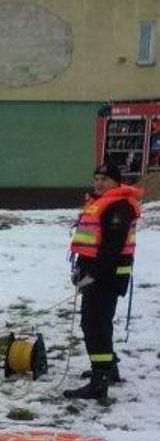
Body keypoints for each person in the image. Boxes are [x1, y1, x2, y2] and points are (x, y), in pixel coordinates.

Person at [64, 165, 141, 401]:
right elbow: (90, 243)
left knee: (94, 325)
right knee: (99, 323)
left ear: (116, 182)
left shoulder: (118, 207)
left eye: (104, 179)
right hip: (96, 274)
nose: (98, 183)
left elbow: (111, 249)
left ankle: (99, 382)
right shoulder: (101, 203)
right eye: (96, 178)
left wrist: (92, 275)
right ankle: (109, 368)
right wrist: (80, 270)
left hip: (106, 277)